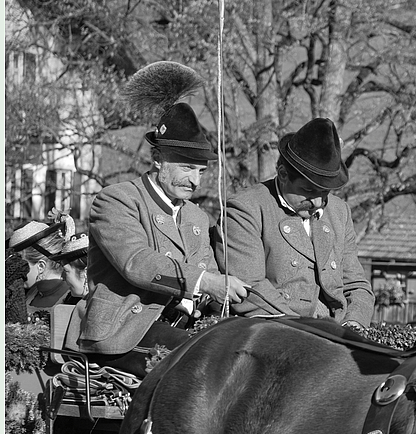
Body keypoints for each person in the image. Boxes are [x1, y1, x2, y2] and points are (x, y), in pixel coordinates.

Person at [79, 61, 248, 377]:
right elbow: (137, 263)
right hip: (122, 334)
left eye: (201, 171)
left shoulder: (196, 216)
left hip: (180, 327)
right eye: (186, 167)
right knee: (209, 362)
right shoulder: (116, 199)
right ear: (157, 159)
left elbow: (208, 271)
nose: (195, 181)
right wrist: (206, 283)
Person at [214, 117, 374, 330]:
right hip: (275, 333)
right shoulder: (245, 209)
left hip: (339, 333)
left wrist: (353, 325)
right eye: (308, 191)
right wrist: (308, 333)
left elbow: (356, 285)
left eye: (324, 192)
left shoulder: (339, 211)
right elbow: (250, 289)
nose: (318, 203)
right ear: (282, 174)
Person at [8, 219, 73, 315]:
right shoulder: (26, 294)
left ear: (41, 266)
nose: (15, 270)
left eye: (19, 265)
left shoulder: (72, 298)